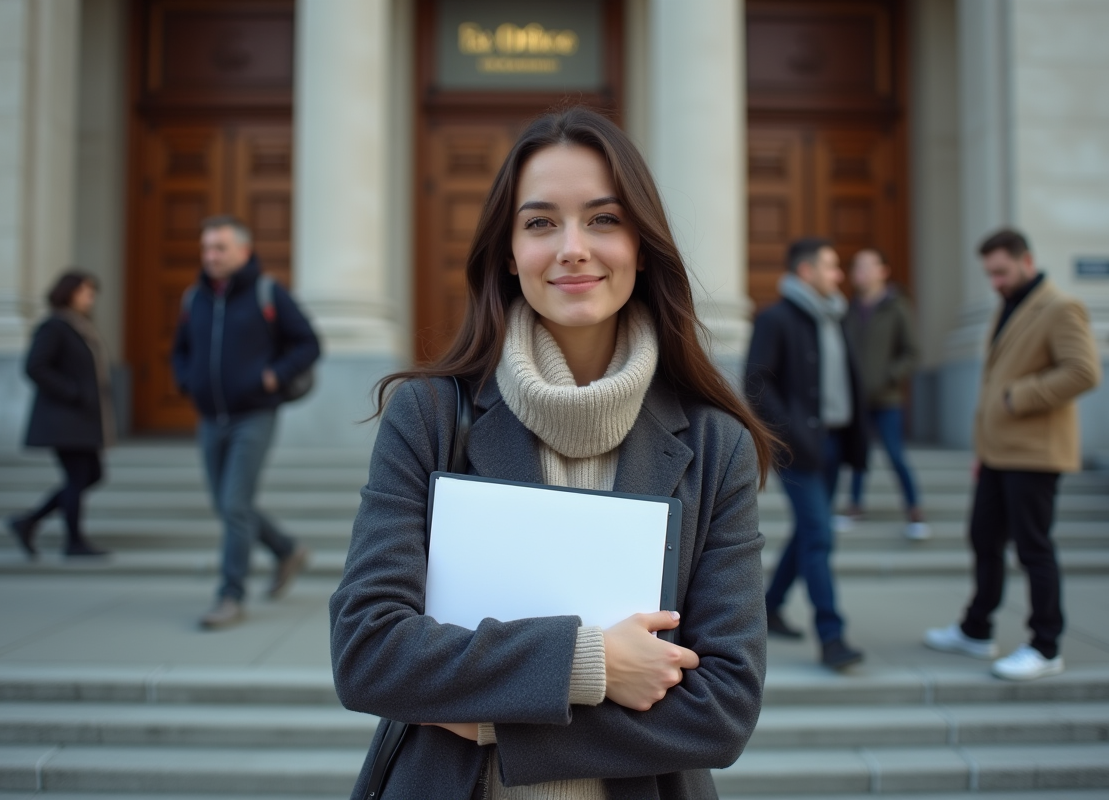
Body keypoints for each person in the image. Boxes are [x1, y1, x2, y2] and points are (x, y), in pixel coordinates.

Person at [329, 107, 775, 799]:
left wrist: (490, 719)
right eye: (540, 223)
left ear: (642, 242)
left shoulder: (716, 446)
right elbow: (369, 652)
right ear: (509, 253)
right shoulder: (428, 416)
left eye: (602, 218)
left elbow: (721, 711)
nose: (572, 247)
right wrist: (588, 660)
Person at [925, 228, 1100, 681]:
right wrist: (983, 450)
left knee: (1033, 549)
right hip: (998, 455)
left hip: (1035, 454)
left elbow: (1083, 371)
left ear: (1027, 261)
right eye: (989, 274)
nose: (995, 281)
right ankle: (976, 629)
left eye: (1001, 271)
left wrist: (1018, 396)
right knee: (983, 538)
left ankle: (1045, 646)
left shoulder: (1060, 307)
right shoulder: (1008, 304)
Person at [172, 216, 320, 630]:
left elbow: (308, 343)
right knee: (226, 504)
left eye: (219, 248)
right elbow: (180, 350)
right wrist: (186, 380)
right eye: (206, 249)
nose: (211, 256)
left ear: (243, 251)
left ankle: (229, 595)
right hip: (209, 417)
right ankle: (286, 548)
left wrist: (274, 374)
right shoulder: (194, 299)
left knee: (234, 504)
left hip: (253, 415)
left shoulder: (266, 291)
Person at [744, 237, 867, 670]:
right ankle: (832, 636)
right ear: (805, 272)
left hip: (836, 442)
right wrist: (793, 434)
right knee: (819, 535)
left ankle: (769, 605)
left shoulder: (835, 317)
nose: (839, 276)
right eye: (831, 267)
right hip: (799, 448)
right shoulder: (775, 318)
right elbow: (756, 383)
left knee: (809, 533)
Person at [8, 270, 114, 558]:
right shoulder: (54, 326)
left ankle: (29, 521)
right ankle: (73, 541)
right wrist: (73, 392)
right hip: (65, 420)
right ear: (69, 292)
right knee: (79, 476)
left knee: (90, 475)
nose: (90, 298)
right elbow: (35, 366)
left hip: (82, 419)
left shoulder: (80, 326)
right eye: (85, 291)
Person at [837, 248, 928, 540]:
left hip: (888, 399)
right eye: (856, 266)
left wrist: (889, 377)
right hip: (856, 399)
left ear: (882, 271)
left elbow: (912, 353)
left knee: (895, 454)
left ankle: (914, 509)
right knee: (857, 455)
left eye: (866, 266)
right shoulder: (847, 309)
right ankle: (855, 506)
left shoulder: (897, 306)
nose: (858, 272)